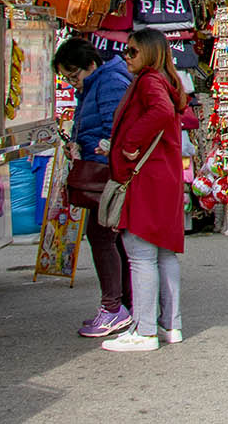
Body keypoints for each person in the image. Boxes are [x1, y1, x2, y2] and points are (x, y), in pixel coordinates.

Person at [101, 29, 197, 353]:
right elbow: (176, 114)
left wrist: (130, 144)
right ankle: (171, 325)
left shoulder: (148, 81)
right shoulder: (167, 81)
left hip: (147, 178)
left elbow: (159, 112)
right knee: (164, 254)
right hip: (164, 177)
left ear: (149, 54)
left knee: (140, 254)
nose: (125, 57)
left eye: (131, 52)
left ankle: (144, 331)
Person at [55, 38, 133, 337]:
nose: (73, 83)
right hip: (103, 171)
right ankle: (123, 305)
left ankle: (113, 308)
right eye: (68, 78)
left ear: (92, 64)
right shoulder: (98, 81)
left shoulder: (110, 80)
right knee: (109, 239)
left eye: (75, 75)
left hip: (107, 175)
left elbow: (114, 128)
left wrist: (98, 147)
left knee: (102, 238)